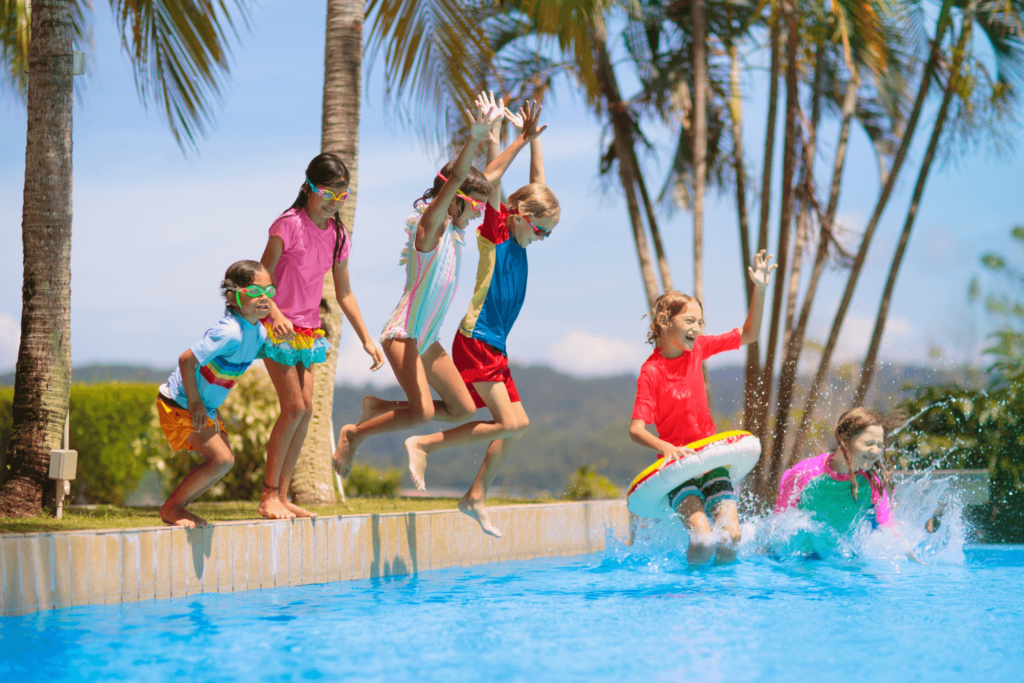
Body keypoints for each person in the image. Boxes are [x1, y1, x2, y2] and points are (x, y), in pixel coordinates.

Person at [401, 98, 556, 537]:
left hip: (495, 343)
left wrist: (533, 143)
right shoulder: (497, 230)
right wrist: (499, 141)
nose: (543, 239)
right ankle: (424, 443)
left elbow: (536, 187)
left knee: (517, 426)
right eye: (542, 230)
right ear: (522, 219)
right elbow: (501, 181)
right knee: (506, 423)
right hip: (476, 338)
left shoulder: (523, 236)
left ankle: (475, 495)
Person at [331, 96, 506, 480]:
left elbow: (488, 179)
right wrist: (473, 140)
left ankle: (377, 406)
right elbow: (457, 181)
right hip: (403, 333)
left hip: (427, 338)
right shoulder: (428, 232)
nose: (481, 210)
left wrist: (516, 141)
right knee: (424, 411)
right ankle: (353, 435)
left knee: (463, 409)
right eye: (475, 204)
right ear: (455, 201)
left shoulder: (459, 232)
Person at [627, 252, 776, 564]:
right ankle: (694, 594)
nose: (698, 328)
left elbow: (750, 334)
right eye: (690, 321)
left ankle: (720, 594)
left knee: (732, 537)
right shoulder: (651, 372)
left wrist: (759, 290)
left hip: (710, 462)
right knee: (703, 539)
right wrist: (665, 447)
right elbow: (636, 430)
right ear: (665, 322)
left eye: (700, 321)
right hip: (679, 470)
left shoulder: (698, 350)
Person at [257, 153, 384, 520]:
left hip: (309, 331)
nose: (334, 203)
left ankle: (281, 496)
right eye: (328, 193)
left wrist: (366, 338)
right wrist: (275, 313)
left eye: (341, 196)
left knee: (306, 410)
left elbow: (344, 293)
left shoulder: (338, 235)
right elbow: (260, 278)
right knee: (294, 407)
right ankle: (268, 496)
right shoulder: (287, 225)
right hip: (276, 325)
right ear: (308, 187)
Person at [156, 260, 274, 528]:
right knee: (221, 459)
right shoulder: (229, 332)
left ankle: (177, 507)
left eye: (269, 291)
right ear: (233, 296)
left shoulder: (258, 331)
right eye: (255, 291)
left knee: (223, 462)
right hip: (181, 402)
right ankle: (172, 507)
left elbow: (248, 353)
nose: (264, 297)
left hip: (202, 405)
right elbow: (187, 360)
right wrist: (196, 402)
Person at [775, 407, 896, 534]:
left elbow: (889, 530)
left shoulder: (871, 483)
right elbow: (778, 524)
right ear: (844, 438)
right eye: (869, 443)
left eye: (880, 445)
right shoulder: (804, 473)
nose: (876, 451)